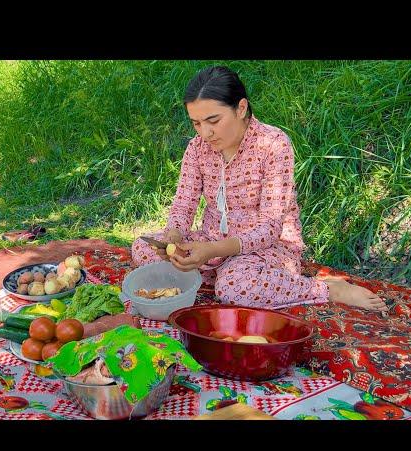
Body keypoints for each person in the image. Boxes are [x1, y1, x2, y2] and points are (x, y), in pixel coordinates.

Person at [132, 66, 388, 312]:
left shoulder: (273, 145)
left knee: (234, 288)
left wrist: (211, 252)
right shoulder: (197, 148)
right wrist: (173, 237)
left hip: (267, 247)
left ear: (241, 108)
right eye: (196, 123)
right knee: (143, 248)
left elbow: (270, 227)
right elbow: (184, 203)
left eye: (213, 120)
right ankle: (219, 272)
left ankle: (327, 290)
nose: (206, 132)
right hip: (211, 242)